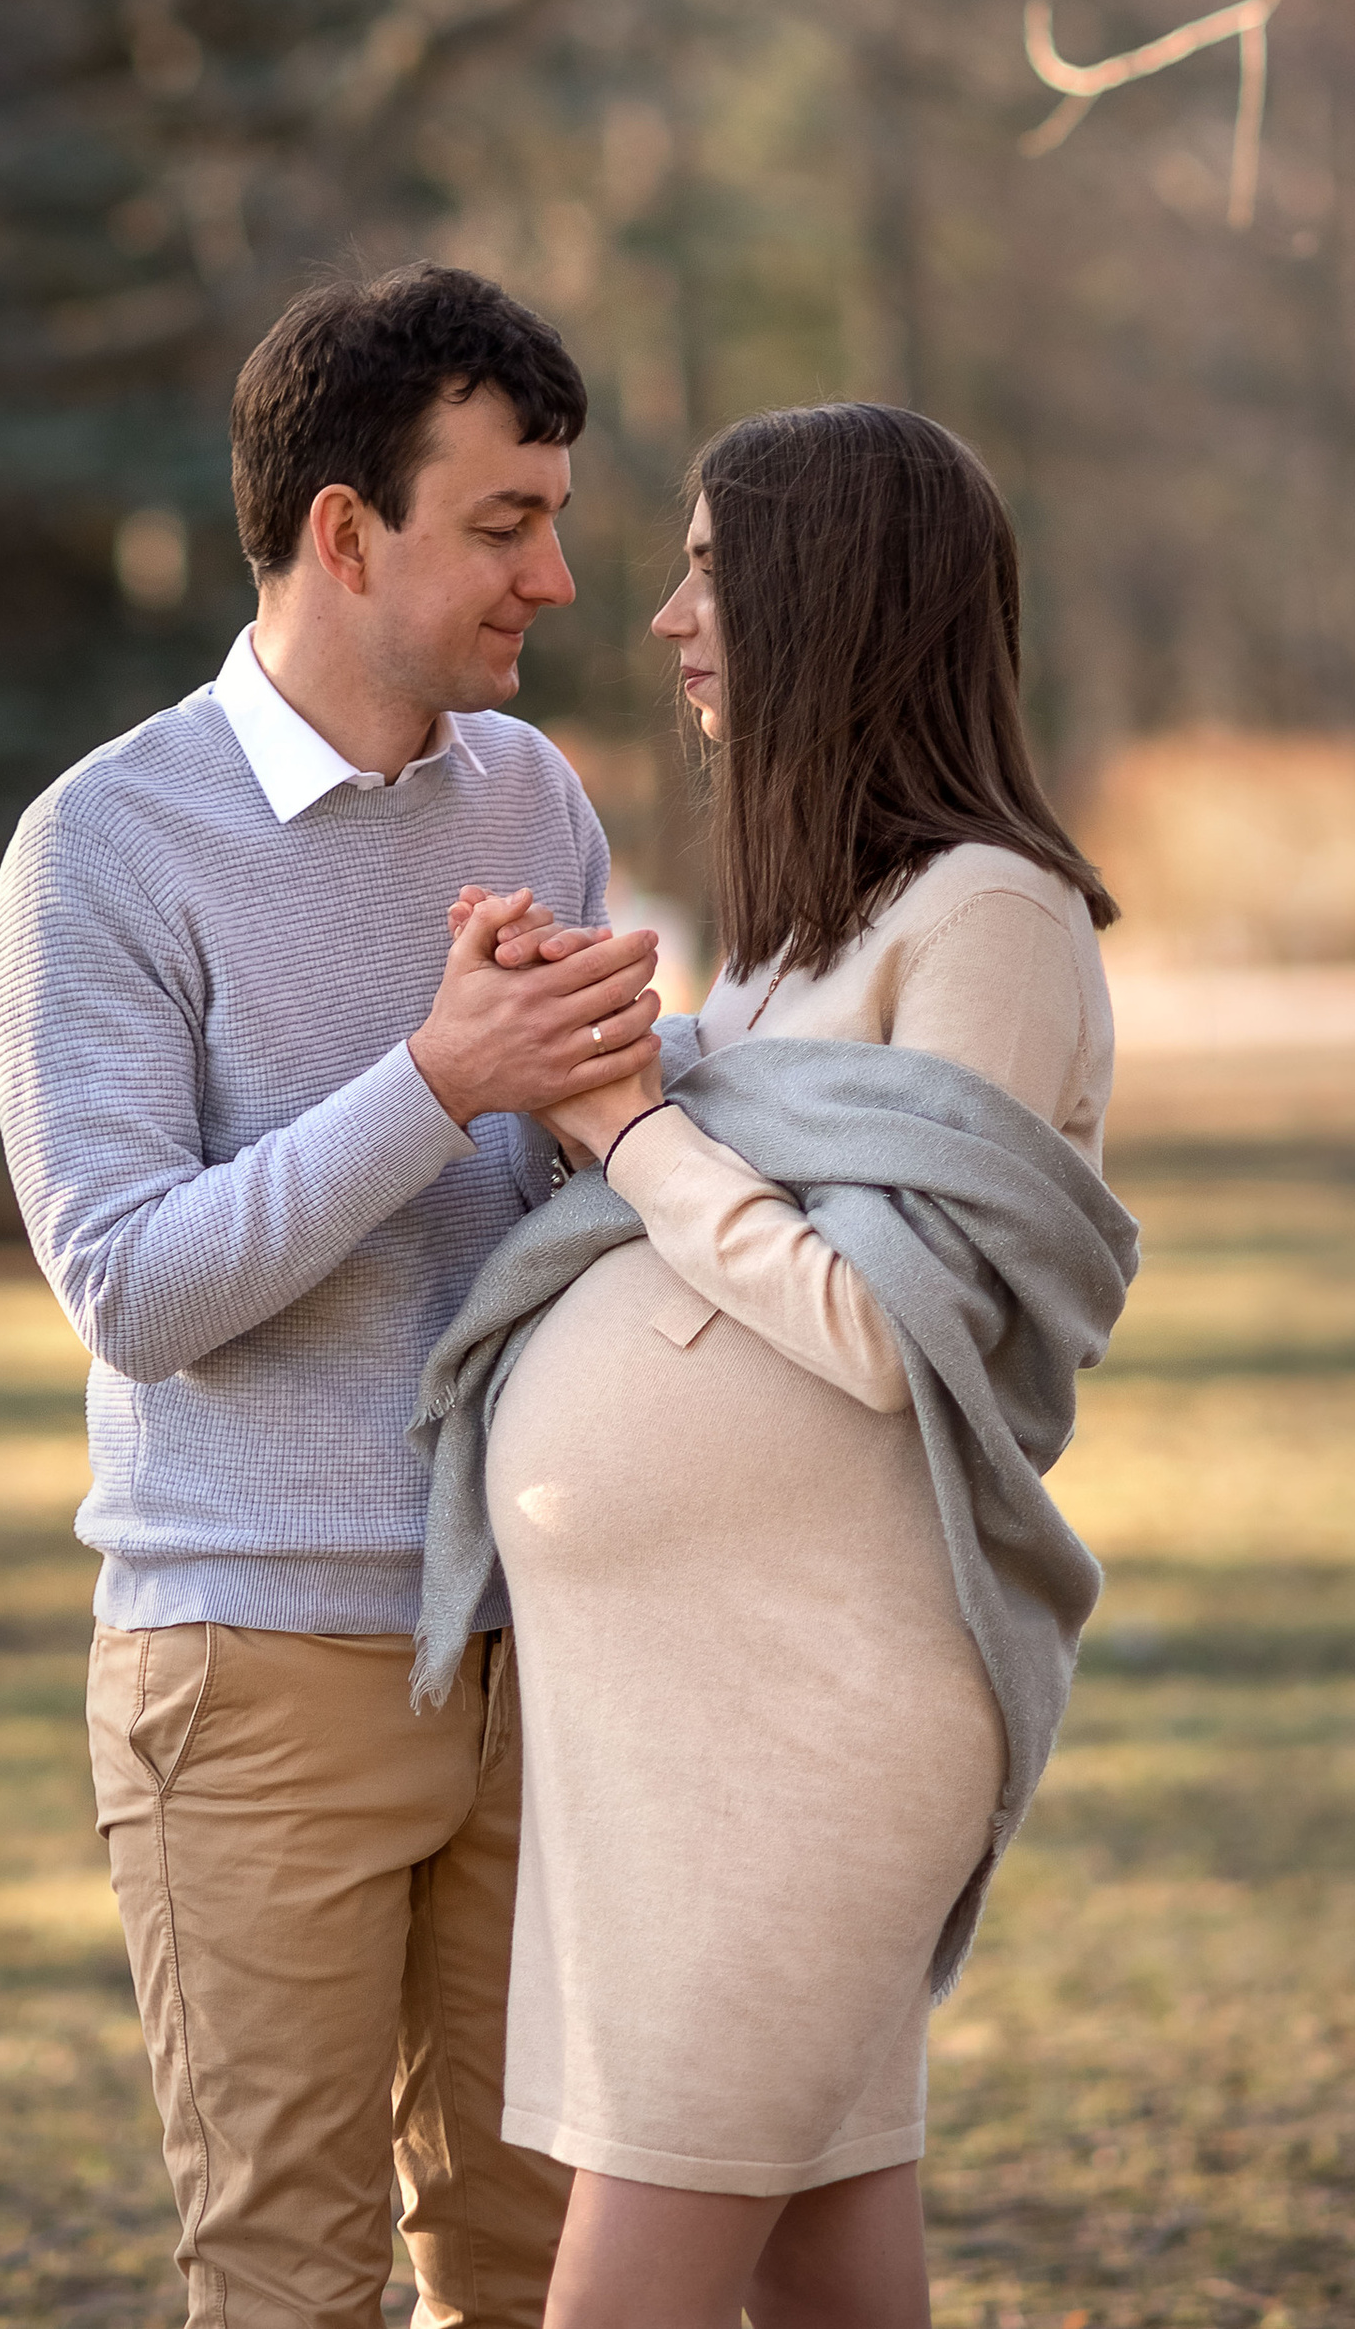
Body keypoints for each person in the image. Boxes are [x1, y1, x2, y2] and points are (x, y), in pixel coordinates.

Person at [0, 263, 665, 2329]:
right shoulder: (104, 847)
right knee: (289, 2278)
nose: (553, 574)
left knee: (542, 2261)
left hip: (530, 1649)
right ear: (345, 533)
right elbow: (134, 1287)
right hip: (253, 1668)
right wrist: (442, 1077)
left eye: (553, 514)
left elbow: (569, 1202)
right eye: (503, 522)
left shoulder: (532, 800)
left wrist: (612, 1108)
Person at [414, 401, 1138, 2329]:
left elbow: (896, 1334)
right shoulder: (797, 942)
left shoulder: (995, 914)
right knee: (832, 2278)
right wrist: (562, 1048)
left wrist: (630, 1127)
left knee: (624, 2292)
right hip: (668, 1731)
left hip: (817, 1725)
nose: (665, 616)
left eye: (716, 568)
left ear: (835, 600)